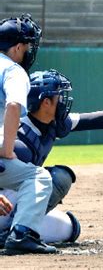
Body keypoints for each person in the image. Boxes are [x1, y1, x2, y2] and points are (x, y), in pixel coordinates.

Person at [0, 69, 103, 246]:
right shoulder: (18, 139)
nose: (64, 100)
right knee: (58, 178)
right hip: (4, 206)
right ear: (46, 103)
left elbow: (95, 119)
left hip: (16, 204)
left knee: (70, 228)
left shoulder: (51, 123)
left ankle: (14, 232)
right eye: (59, 96)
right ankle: (16, 234)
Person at [0, 14, 58, 254]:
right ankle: (21, 234)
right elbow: (13, 105)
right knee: (38, 178)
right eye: (27, 46)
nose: (28, 51)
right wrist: (7, 148)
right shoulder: (13, 70)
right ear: (17, 47)